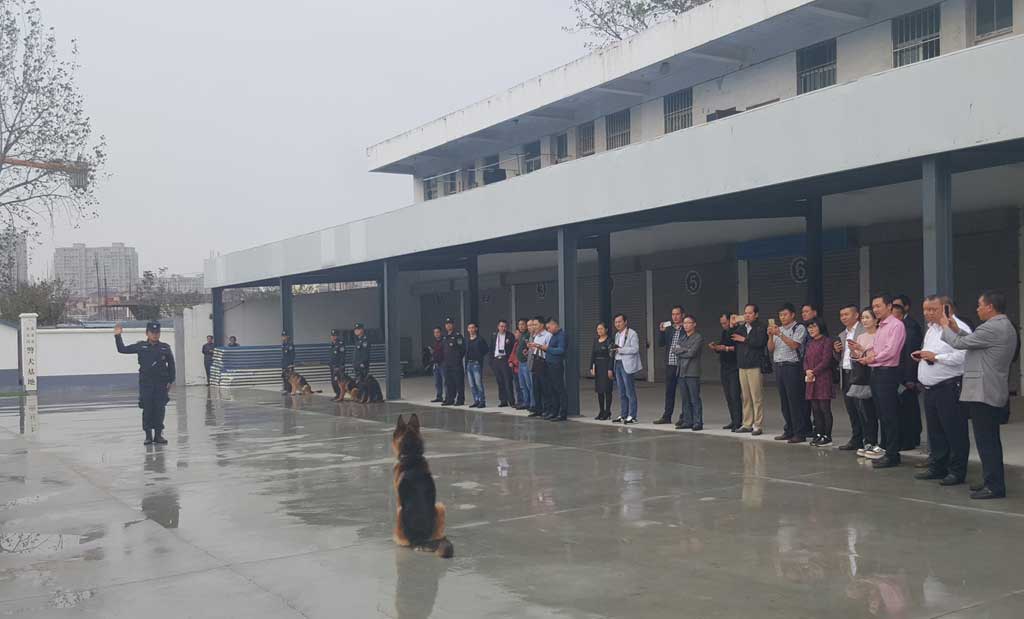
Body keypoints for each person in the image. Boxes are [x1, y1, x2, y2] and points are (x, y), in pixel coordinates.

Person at [941, 291, 1017, 499]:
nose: (977, 309)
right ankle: (991, 479)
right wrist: (956, 329)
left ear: (990, 307)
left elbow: (959, 344)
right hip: (991, 388)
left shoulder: (991, 327)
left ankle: (994, 486)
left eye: (980, 305)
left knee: (986, 441)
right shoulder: (1004, 326)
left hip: (983, 390)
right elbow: (973, 341)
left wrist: (945, 325)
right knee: (989, 439)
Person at [912, 295, 971, 486]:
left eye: (932, 309)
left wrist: (936, 357)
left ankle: (957, 471)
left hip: (949, 386)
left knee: (954, 430)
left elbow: (963, 357)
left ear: (946, 308)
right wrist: (924, 356)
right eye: (925, 309)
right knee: (936, 431)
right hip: (931, 388)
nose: (927, 313)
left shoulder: (957, 327)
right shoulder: (931, 329)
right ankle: (938, 466)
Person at [853, 294, 906, 469]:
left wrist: (872, 358)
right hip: (876, 372)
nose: (875, 309)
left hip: (887, 373)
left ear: (889, 306)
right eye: (873, 306)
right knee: (882, 414)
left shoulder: (896, 325)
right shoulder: (881, 326)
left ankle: (893, 454)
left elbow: (891, 351)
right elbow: (876, 349)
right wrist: (866, 356)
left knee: (890, 415)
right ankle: (886, 450)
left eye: (878, 306)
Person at [115, 321, 175, 445]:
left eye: (157, 332)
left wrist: (171, 380)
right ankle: (148, 436)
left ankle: (158, 435)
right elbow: (122, 349)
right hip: (146, 384)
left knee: (160, 409)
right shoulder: (141, 346)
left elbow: (171, 365)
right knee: (147, 409)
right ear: (147, 333)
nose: (155, 335)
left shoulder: (165, 347)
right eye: (152, 332)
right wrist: (117, 336)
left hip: (161, 384)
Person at [768, 303, 811, 443]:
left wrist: (780, 334)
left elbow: (794, 345)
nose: (782, 317)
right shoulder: (778, 329)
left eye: (785, 314)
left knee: (795, 400)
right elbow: (770, 349)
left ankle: (800, 432)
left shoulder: (799, 328)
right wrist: (770, 336)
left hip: (793, 367)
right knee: (784, 401)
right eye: (780, 315)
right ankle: (789, 430)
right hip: (779, 366)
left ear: (793, 315)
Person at [851, 308, 883, 459]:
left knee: (879, 411)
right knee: (866, 411)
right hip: (863, 375)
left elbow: (878, 355)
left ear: (876, 320)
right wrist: (854, 352)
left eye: (867, 317)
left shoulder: (880, 335)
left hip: (877, 373)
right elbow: (858, 356)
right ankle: (869, 441)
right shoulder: (860, 336)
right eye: (863, 318)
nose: (864, 320)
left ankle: (881, 444)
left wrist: (861, 349)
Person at [732, 304, 768, 435]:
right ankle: (747, 423)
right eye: (745, 313)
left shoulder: (761, 327)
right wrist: (733, 324)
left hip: (755, 365)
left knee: (756, 396)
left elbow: (760, 342)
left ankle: (758, 425)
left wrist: (745, 339)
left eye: (750, 313)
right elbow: (732, 337)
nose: (747, 315)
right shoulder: (742, 328)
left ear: (756, 314)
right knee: (745, 396)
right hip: (742, 365)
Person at [834, 304, 865, 451]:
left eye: (846, 314)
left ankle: (868, 439)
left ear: (856, 315)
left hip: (859, 372)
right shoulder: (842, 334)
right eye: (841, 315)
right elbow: (839, 358)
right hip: (845, 373)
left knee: (862, 408)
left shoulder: (863, 331)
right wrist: (836, 351)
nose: (843, 318)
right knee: (851, 408)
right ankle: (856, 438)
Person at [803, 318, 835, 447]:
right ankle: (818, 434)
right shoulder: (810, 343)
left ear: (821, 327)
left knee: (824, 408)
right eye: (809, 327)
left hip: (823, 378)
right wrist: (807, 370)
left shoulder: (827, 341)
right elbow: (805, 359)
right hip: (811, 379)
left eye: (814, 327)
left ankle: (827, 436)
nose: (811, 330)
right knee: (815, 409)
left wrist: (813, 371)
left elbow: (826, 361)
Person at [710, 312, 743, 432]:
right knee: (728, 395)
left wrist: (726, 348)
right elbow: (722, 345)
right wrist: (716, 347)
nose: (723, 325)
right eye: (721, 323)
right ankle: (733, 420)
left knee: (735, 395)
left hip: (734, 366)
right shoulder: (724, 332)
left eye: (725, 323)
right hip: (724, 366)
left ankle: (738, 421)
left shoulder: (738, 330)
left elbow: (738, 347)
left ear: (731, 320)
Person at [672, 315, 704, 431]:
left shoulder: (698, 337)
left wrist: (682, 350)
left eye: (688, 323)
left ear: (694, 324)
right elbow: (675, 350)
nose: (686, 325)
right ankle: (687, 421)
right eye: (684, 323)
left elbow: (692, 353)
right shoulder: (682, 337)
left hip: (692, 372)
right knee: (685, 398)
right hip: (681, 371)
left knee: (694, 398)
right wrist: (685, 349)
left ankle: (698, 422)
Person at [655, 305, 686, 425]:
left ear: (682, 315)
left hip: (682, 365)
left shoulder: (685, 328)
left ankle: (684, 416)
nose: (675, 317)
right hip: (670, 364)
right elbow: (660, 344)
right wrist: (662, 332)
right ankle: (667, 416)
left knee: (684, 392)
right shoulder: (669, 329)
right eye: (673, 314)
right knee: (669, 391)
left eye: (677, 314)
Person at [533, 318, 568, 421]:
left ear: (555, 325)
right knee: (552, 389)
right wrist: (541, 347)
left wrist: (547, 348)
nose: (548, 330)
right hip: (549, 364)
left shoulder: (561, 336)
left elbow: (561, 350)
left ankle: (562, 413)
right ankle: (554, 411)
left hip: (556, 365)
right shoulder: (553, 335)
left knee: (559, 389)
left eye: (549, 327)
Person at [612, 313, 641, 424]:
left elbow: (635, 349)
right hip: (618, 363)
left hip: (627, 364)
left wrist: (621, 350)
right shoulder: (617, 335)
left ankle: (632, 415)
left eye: (619, 322)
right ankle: (623, 414)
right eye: (616, 322)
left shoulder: (632, 333)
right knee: (621, 391)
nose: (617, 324)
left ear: (625, 322)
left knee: (630, 390)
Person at [589, 322, 615, 420]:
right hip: (598, 366)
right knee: (599, 390)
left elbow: (612, 356)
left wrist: (610, 368)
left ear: (606, 330)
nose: (599, 331)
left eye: (601, 329)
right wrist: (591, 367)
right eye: (598, 329)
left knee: (607, 390)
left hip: (606, 365)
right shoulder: (595, 340)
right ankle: (601, 411)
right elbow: (593, 354)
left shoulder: (610, 341)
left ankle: (607, 411)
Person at [527, 316, 551, 418]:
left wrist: (538, 347)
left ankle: (547, 410)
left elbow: (549, 349)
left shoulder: (548, 335)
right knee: (536, 387)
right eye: (533, 325)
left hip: (543, 362)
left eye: (535, 324)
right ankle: (538, 409)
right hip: (535, 362)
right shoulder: (536, 336)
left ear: (542, 325)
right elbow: (535, 349)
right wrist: (531, 348)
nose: (534, 327)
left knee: (545, 388)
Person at [440, 317, 465, 406]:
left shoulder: (457, 336)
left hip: (456, 364)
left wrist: (457, 358)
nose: (448, 325)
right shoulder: (444, 337)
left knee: (458, 382)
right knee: (449, 382)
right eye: (447, 324)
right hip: (447, 364)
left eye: (450, 324)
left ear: (453, 325)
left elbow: (462, 349)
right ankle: (450, 399)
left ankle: (460, 400)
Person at [491, 320, 516, 407]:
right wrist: (492, 361)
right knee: (500, 381)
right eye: (501, 326)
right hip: (497, 359)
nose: (503, 328)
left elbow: (513, 349)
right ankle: (503, 400)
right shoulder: (494, 335)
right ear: (498, 327)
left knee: (508, 381)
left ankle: (511, 401)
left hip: (505, 359)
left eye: (505, 326)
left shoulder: (510, 336)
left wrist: (511, 360)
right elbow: (491, 348)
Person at [464, 322, 488, 408]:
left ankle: (482, 401)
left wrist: (479, 356)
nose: (471, 330)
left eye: (472, 328)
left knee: (478, 383)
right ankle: (476, 400)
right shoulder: (467, 340)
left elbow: (486, 349)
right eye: (469, 328)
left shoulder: (480, 339)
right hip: (469, 364)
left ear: (476, 329)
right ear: (467, 329)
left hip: (476, 364)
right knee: (472, 385)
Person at [511, 319, 531, 410]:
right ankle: (525, 402)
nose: (521, 326)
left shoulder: (528, 335)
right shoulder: (521, 335)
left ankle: (531, 403)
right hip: (520, 363)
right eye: (519, 324)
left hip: (526, 363)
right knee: (522, 385)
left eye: (523, 324)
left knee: (528, 385)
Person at [329, 328, 346, 402]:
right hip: (332, 366)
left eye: (335, 335)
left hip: (338, 367)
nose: (333, 337)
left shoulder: (340, 344)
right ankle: (337, 394)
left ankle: (340, 395)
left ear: (337, 336)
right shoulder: (332, 344)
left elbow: (342, 356)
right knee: (334, 381)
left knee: (339, 381)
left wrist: (340, 366)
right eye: (332, 335)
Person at [429, 327, 445, 403]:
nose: (436, 334)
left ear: (441, 332)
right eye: (435, 332)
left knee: (445, 381)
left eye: (438, 332)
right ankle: (439, 397)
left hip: (442, 364)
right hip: (435, 364)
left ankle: (447, 397)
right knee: (437, 382)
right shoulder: (434, 342)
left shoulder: (444, 341)